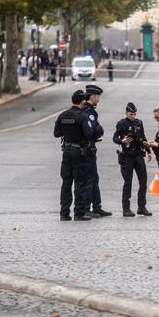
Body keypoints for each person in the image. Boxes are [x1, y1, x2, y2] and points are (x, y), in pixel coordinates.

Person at [53, 90, 96, 221]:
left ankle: (64, 213)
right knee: (80, 182)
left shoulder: (62, 115)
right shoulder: (82, 116)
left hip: (66, 151)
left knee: (66, 182)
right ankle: (79, 213)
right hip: (79, 152)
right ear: (83, 101)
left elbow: (56, 133)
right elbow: (89, 134)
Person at [113, 102, 152, 217]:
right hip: (127, 156)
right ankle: (126, 209)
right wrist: (122, 141)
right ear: (126, 113)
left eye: (134, 114)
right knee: (128, 183)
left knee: (143, 182)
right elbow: (115, 138)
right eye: (131, 114)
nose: (133, 116)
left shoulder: (139, 123)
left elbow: (143, 138)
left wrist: (149, 151)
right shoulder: (121, 123)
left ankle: (141, 207)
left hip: (139, 155)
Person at [81, 84, 112, 218]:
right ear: (92, 96)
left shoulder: (89, 110)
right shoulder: (88, 112)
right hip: (87, 148)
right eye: (97, 97)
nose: (98, 99)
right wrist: (100, 130)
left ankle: (97, 206)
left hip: (90, 148)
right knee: (89, 179)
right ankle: (87, 208)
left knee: (94, 178)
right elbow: (92, 130)